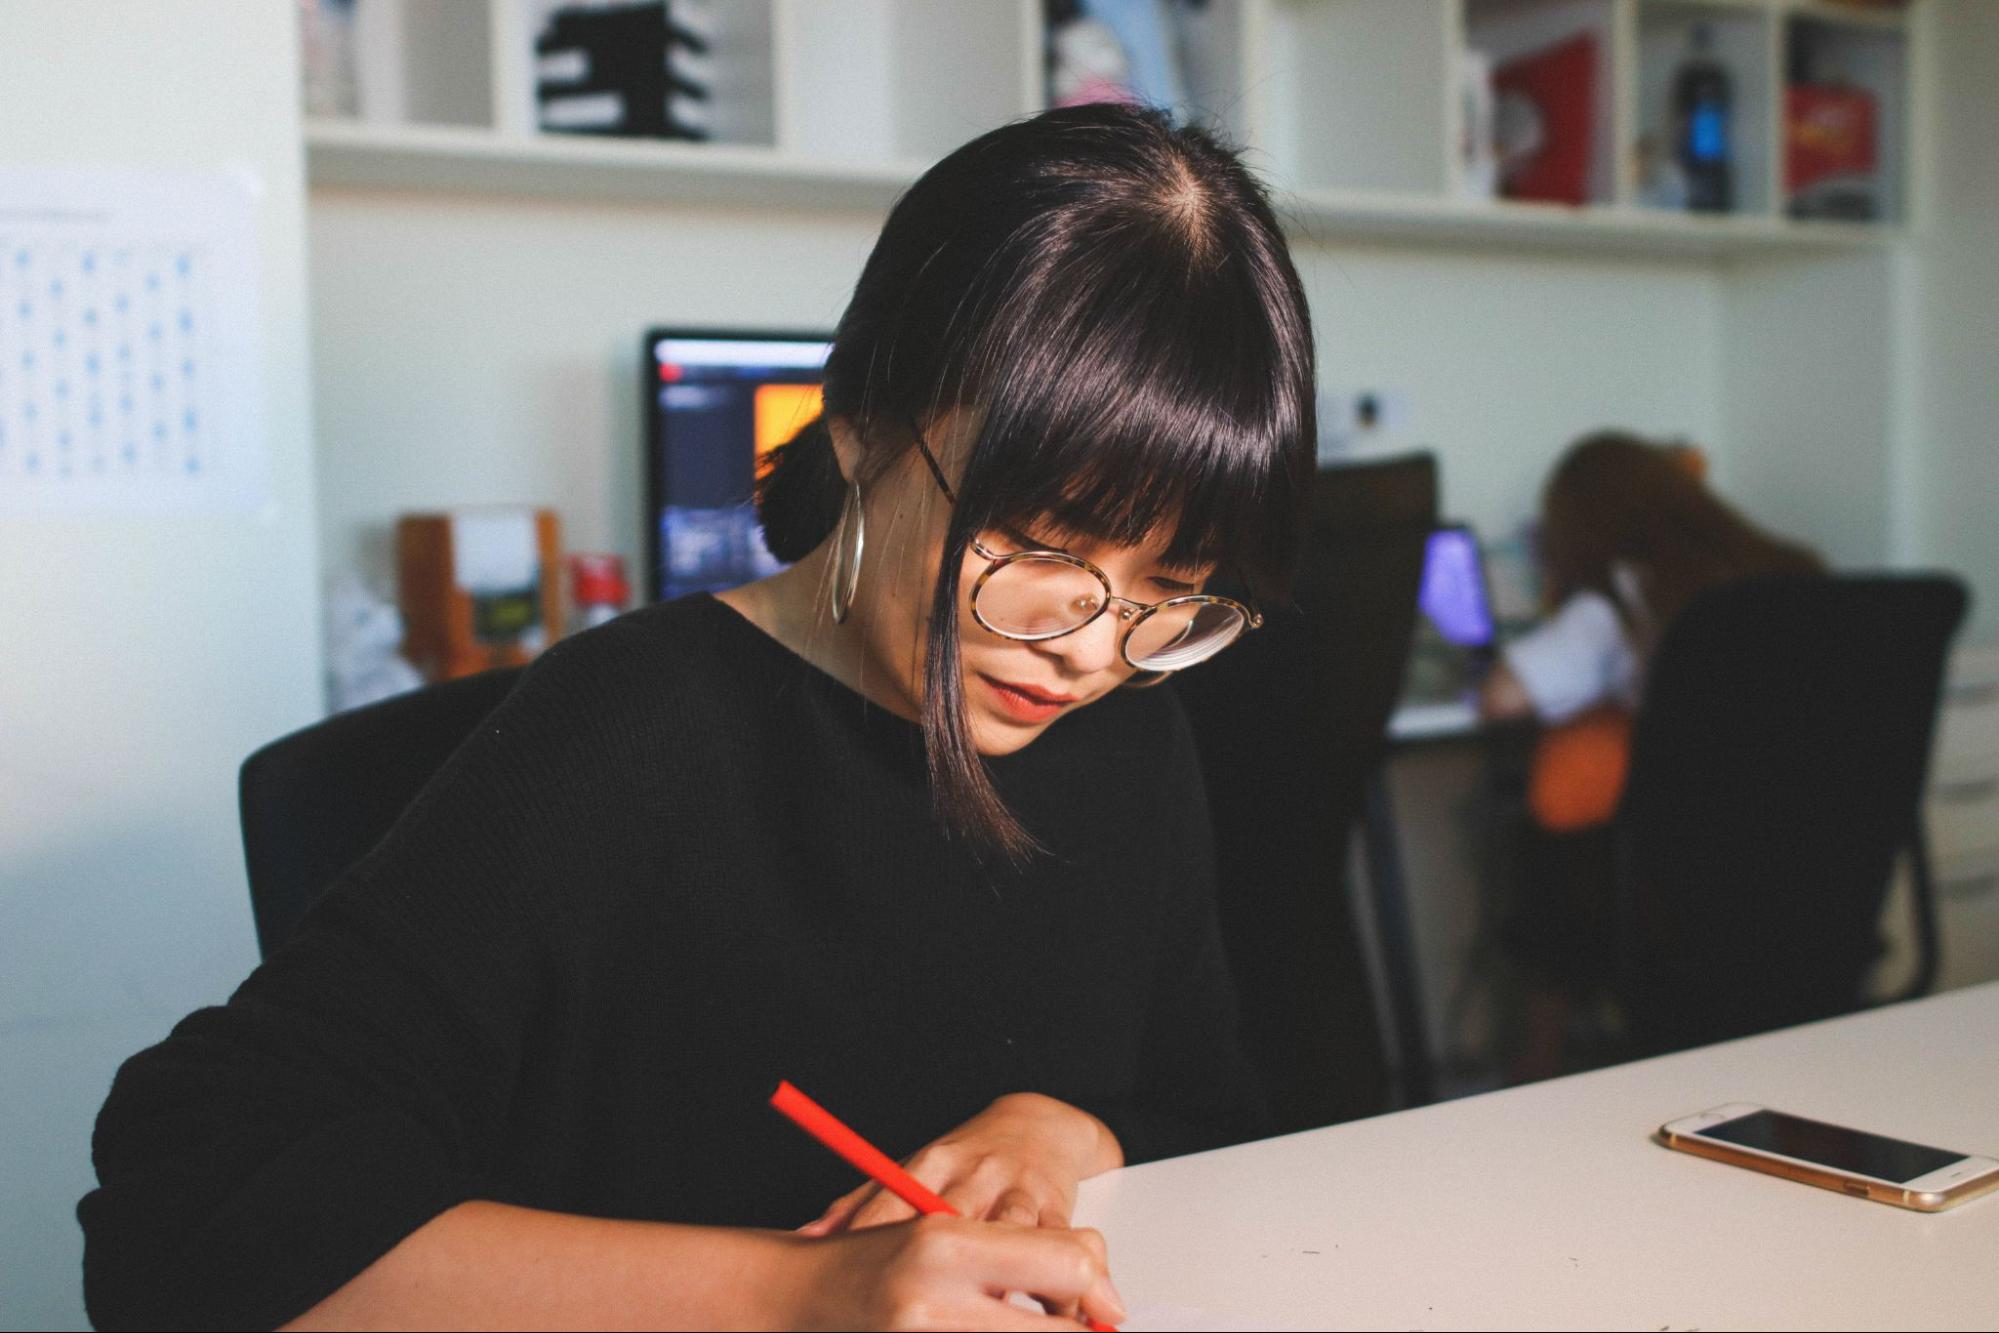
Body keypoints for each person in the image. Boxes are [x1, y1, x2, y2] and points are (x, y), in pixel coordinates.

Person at [78, 103, 1317, 1331]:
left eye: (1173, 590)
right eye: (1041, 545)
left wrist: (1068, 1127)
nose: (1093, 650)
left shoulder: (1131, 735)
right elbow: (186, 1202)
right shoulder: (632, 728)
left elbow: (1214, 1116)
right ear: (862, 425)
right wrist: (803, 1291)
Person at [1478, 431, 1823, 1078]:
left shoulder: (1615, 597)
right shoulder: (1796, 573)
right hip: (1813, 867)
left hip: (1680, 881)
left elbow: (1500, 698)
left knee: (1549, 848)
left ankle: (1533, 1069)